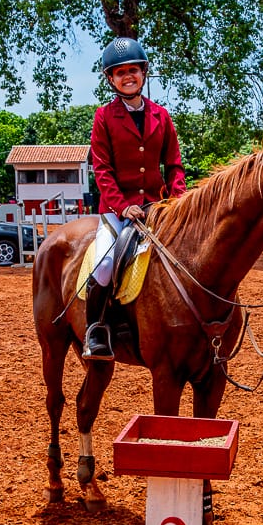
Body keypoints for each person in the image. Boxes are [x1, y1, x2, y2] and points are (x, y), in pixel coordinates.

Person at [83, 37, 186, 360]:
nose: (128, 76)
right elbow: (102, 169)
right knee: (104, 265)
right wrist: (121, 205)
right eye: (120, 72)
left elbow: (174, 166)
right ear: (111, 80)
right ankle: (96, 331)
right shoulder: (104, 117)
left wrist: (178, 202)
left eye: (133, 70)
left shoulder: (162, 116)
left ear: (143, 73)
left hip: (157, 209)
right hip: (117, 211)